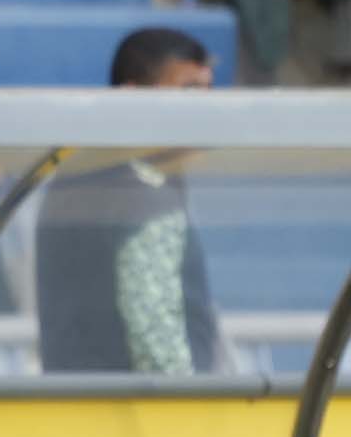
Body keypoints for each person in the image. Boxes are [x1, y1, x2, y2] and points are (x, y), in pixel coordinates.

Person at [36, 28, 221, 374]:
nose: (205, 110)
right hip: (142, 419)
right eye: (189, 92)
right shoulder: (139, 198)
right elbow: (160, 352)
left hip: (76, 411)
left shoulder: (81, 173)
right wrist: (197, 413)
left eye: (209, 92)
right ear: (133, 98)